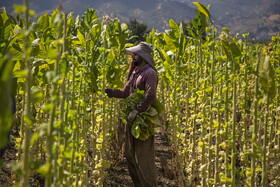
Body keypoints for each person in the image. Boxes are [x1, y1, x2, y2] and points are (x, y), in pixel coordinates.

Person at [105, 42, 158, 187]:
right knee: (130, 154)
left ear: (142, 56)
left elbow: (150, 96)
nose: (132, 57)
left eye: (135, 54)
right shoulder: (136, 72)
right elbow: (125, 92)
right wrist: (111, 92)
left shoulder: (149, 73)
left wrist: (137, 110)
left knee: (143, 157)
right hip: (132, 119)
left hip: (143, 119)